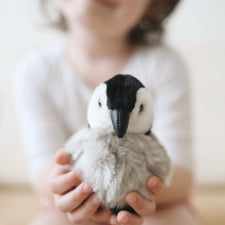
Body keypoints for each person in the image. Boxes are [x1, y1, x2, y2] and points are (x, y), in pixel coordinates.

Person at [13, 0, 201, 224]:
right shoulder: (35, 72)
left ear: (155, 5)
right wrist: (69, 188)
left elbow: (180, 173)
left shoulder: (164, 65)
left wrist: (134, 193)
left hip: (157, 203)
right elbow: (42, 169)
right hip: (70, 205)